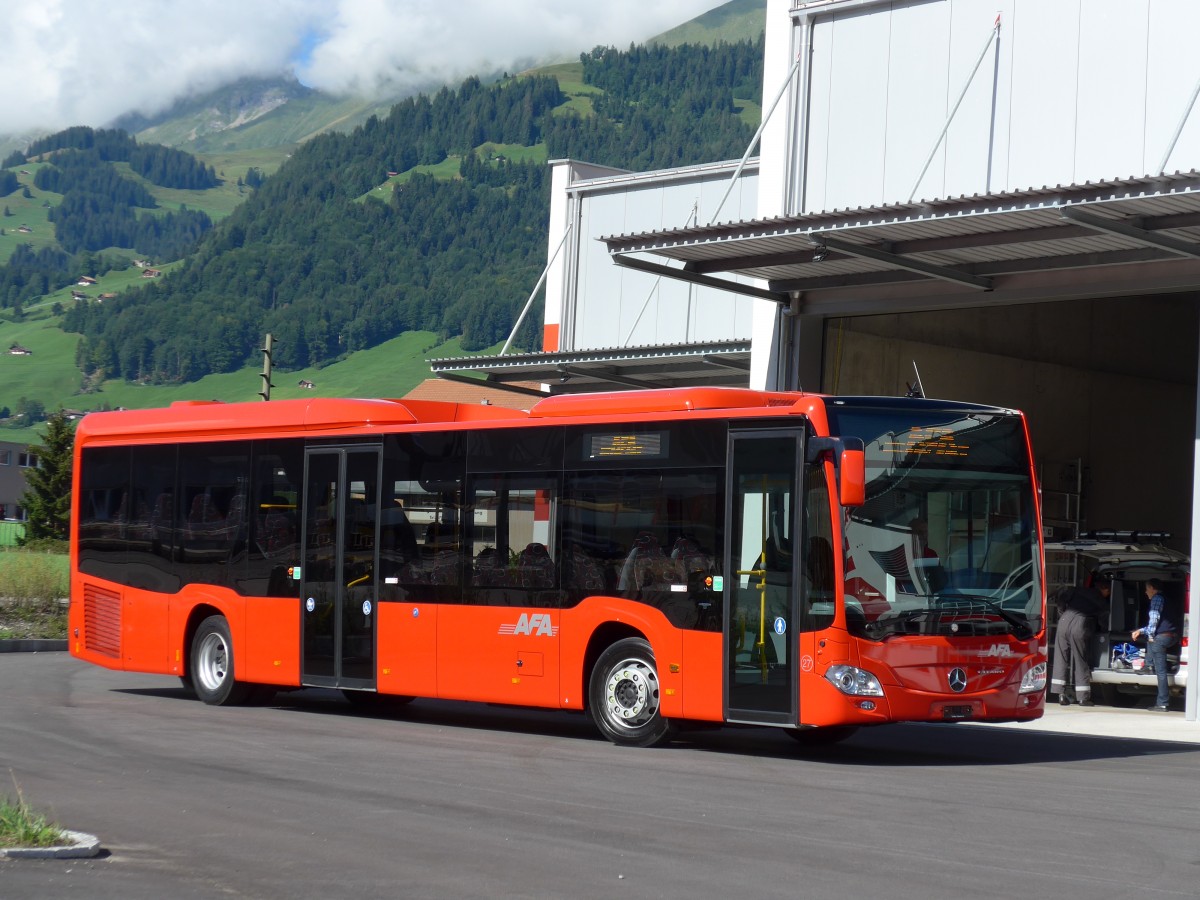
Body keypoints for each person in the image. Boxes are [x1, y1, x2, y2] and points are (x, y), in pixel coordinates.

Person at [1050, 577, 1110, 706]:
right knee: (1080, 659)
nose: (1108, 595)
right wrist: (1104, 631)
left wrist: (1062, 613)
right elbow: (1103, 621)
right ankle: (1083, 698)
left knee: (1060, 657)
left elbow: (1062, 598)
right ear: (1104, 589)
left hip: (1064, 621)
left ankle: (1060, 695)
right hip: (1080, 624)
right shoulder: (1101, 600)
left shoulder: (1078, 590)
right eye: (1108, 592)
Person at [1132, 578, 1178, 711]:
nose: (1146, 592)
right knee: (1150, 640)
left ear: (1152, 588)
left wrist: (1146, 634)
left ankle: (1162, 703)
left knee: (1161, 672)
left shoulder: (1157, 599)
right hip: (1171, 635)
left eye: (1147, 589)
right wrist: (1143, 632)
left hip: (1162, 637)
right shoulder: (1167, 598)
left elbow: (1154, 620)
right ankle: (1148, 664)